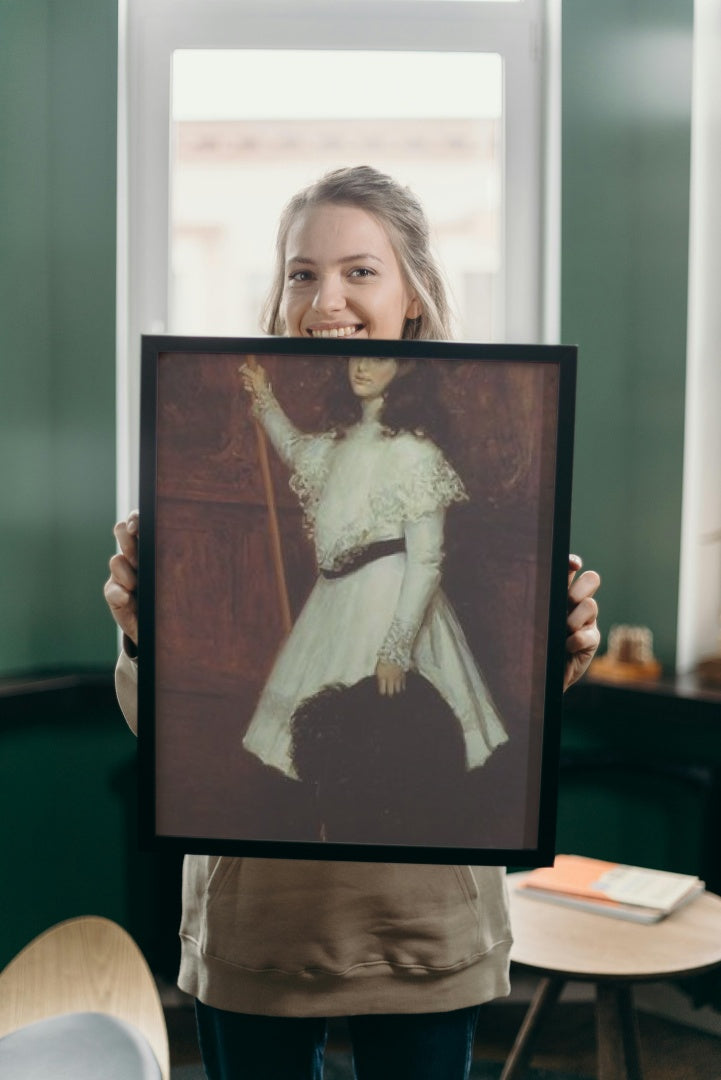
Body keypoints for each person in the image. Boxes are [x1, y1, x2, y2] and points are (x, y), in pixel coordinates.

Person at [105, 166, 601, 1080]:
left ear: (412, 294)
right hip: (260, 924)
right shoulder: (313, 441)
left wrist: (554, 653)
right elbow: (161, 731)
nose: (325, 298)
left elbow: (435, 567)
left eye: (359, 271)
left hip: (419, 923)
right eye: (301, 272)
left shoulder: (422, 450)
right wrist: (143, 636)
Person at [237, 352, 508, 797]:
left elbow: (425, 561)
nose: (361, 368)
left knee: (385, 755)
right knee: (324, 759)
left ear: (403, 370)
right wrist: (264, 395)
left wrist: (396, 648)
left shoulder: (414, 453)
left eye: (378, 359)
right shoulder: (338, 443)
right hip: (334, 601)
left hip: (387, 600)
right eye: (356, 359)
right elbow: (293, 448)